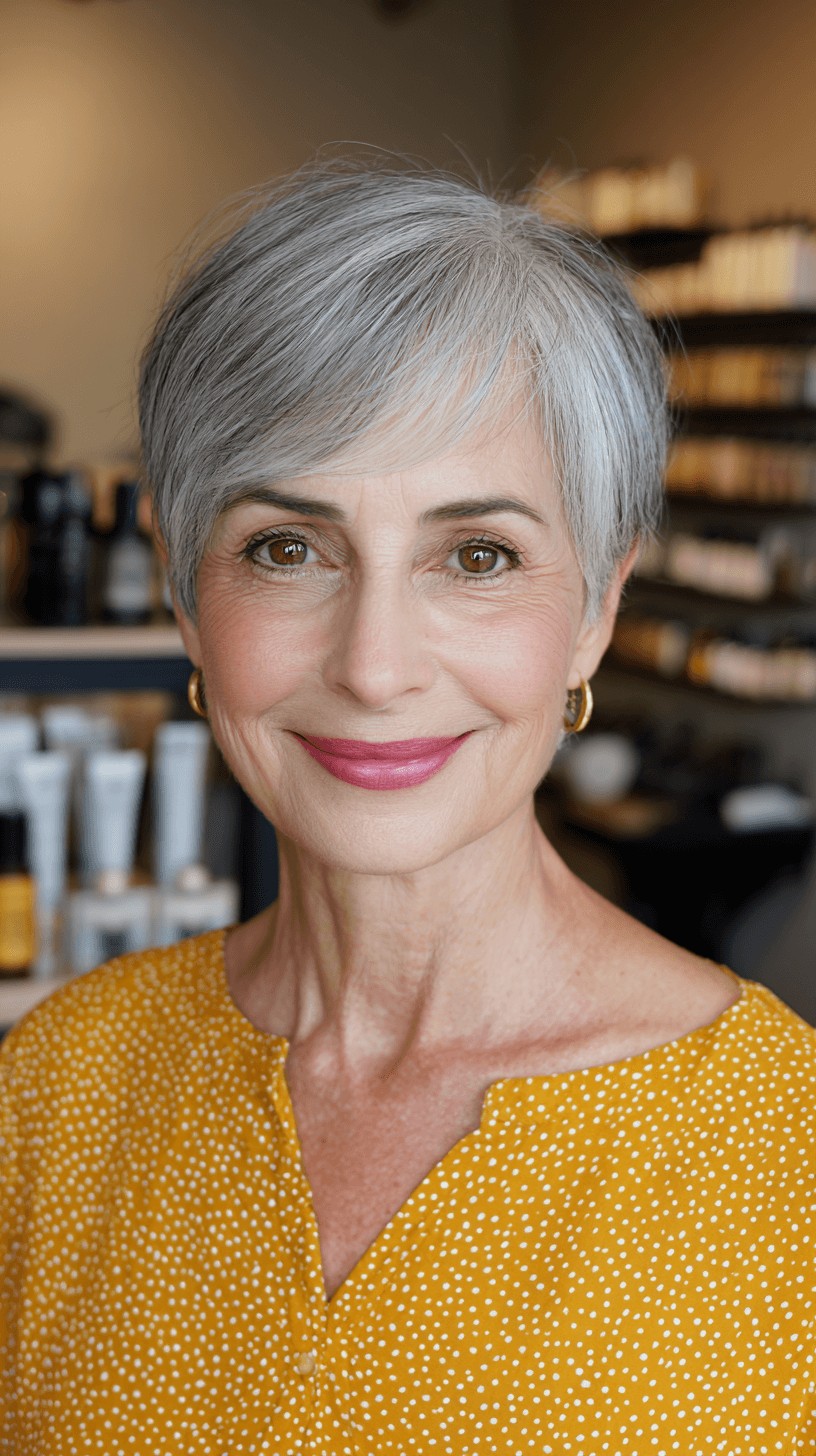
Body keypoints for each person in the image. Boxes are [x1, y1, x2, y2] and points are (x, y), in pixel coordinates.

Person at [3, 150, 816, 1456]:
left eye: (477, 555)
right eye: (288, 549)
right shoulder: (56, 1089)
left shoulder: (785, 1158)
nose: (375, 667)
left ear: (595, 610)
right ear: (186, 599)